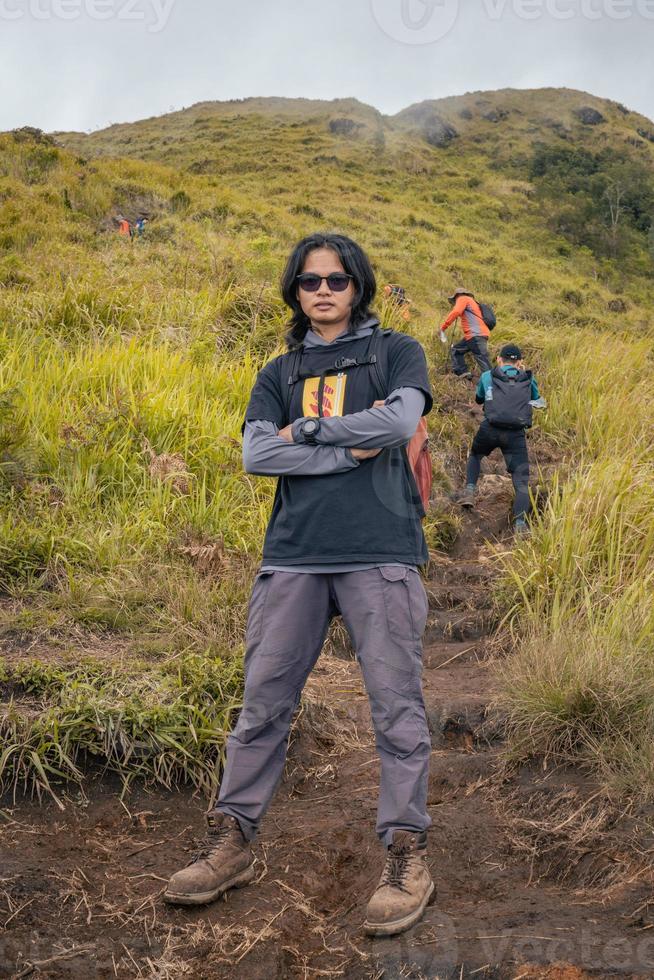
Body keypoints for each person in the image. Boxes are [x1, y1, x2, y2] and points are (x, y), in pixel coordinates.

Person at [164, 233, 436, 937]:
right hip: (293, 556)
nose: (324, 290)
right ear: (294, 289)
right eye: (310, 280)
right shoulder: (277, 368)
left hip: (380, 551)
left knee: (396, 712)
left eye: (338, 280)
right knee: (261, 708)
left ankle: (406, 853)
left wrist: (312, 432)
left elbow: (403, 419)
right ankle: (233, 842)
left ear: (358, 286)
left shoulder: (395, 351)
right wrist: (350, 447)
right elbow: (257, 451)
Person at [460, 344, 542, 536]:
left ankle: (470, 491)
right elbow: (537, 400)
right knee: (521, 481)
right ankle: (520, 525)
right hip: (515, 434)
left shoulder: (488, 375)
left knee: (476, 455)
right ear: (520, 362)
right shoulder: (528, 379)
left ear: (499, 359)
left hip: (490, 428)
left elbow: (479, 398)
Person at [439, 288, 491, 378]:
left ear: (457, 296)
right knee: (456, 350)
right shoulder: (473, 302)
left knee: (483, 360)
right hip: (476, 335)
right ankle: (463, 373)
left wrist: (443, 328)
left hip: (475, 335)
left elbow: (456, 311)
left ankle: (493, 384)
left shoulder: (462, 298)